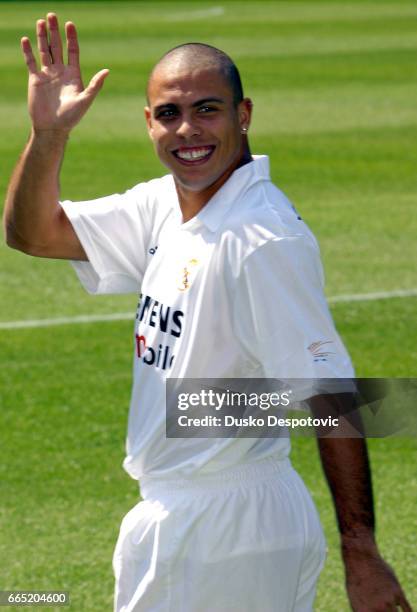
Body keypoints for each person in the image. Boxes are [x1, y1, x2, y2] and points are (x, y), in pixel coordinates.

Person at [4, 13, 411, 612]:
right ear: (148, 123)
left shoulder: (262, 239)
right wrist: (48, 135)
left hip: (229, 529)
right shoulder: (165, 205)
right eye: (169, 113)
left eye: (207, 109)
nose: (187, 129)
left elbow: (332, 396)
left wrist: (361, 552)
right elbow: (32, 234)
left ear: (243, 115)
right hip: (186, 513)